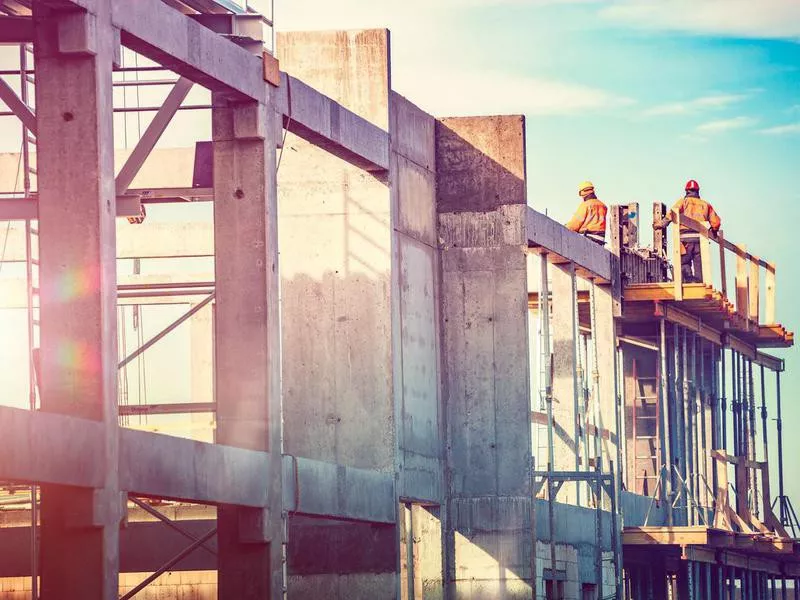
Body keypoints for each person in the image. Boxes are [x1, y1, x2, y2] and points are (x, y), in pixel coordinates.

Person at [655, 179, 721, 283]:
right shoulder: (705, 205)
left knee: (683, 263)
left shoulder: (683, 202)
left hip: (685, 240)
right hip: (700, 240)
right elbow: (716, 222)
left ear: (687, 191)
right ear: (698, 191)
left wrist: (661, 224)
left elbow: (673, 213)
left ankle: (689, 282)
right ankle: (699, 285)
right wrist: (713, 231)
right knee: (700, 266)